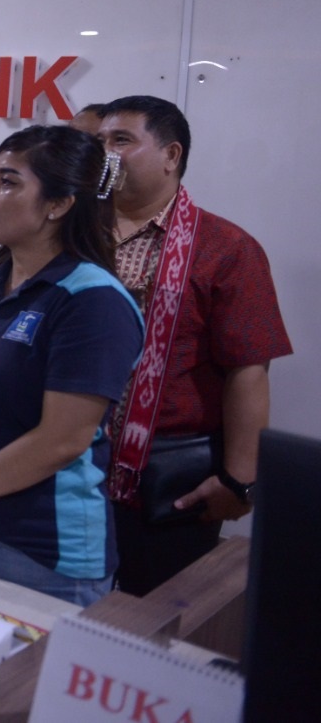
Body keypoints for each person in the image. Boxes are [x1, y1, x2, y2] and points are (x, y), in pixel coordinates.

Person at [0, 125, 141, 606]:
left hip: (36, 553)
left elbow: (61, 441)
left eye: (9, 182)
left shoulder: (93, 300)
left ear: (57, 205)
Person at [98, 96, 291, 595]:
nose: (105, 152)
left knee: (148, 627)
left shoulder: (226, 248)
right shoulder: (70, 232)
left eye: (121, 140)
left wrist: (239, 481)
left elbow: (248, 369)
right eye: (98, 141)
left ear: (171, 154)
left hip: (166, 481)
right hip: (60, 461)